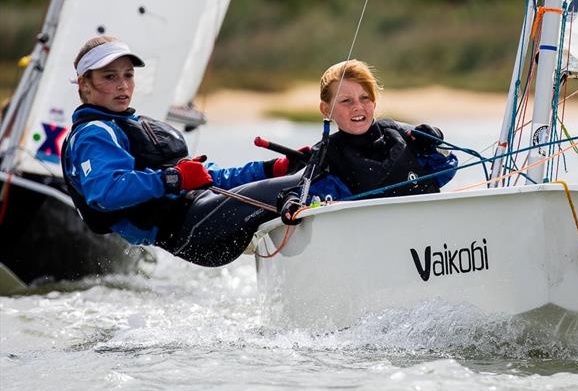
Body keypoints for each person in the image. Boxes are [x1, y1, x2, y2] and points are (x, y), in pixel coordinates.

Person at [61, 36, 301, 267]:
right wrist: (175, 178)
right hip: (190, 231)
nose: (122, 85)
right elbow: (106, 192)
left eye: (128, 75)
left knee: (295, 179)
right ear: (84, 84)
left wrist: (271, 169)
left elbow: (209, 176)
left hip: (203, 214)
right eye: (109, 77)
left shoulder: (131, 125)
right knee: (296, 186)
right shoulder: (93, 134)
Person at [283, 60, 457, 220]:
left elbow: (446, 167)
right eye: (346, 101)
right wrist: (291, 201)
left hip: (426, 227)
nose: (357, 107)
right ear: (326, 109)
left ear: (374, 103)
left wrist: (434, 142)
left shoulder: (397, 134)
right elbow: (304, 194)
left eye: (364, 98)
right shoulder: (328, 154)